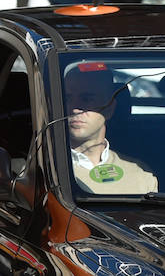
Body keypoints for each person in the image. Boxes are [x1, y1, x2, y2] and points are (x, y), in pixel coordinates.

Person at [64, 62, 157, 194]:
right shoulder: (45, 170)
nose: (74, 108)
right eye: (67, 98)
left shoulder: (139, 173)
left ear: (109, 109)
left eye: (87, 99)